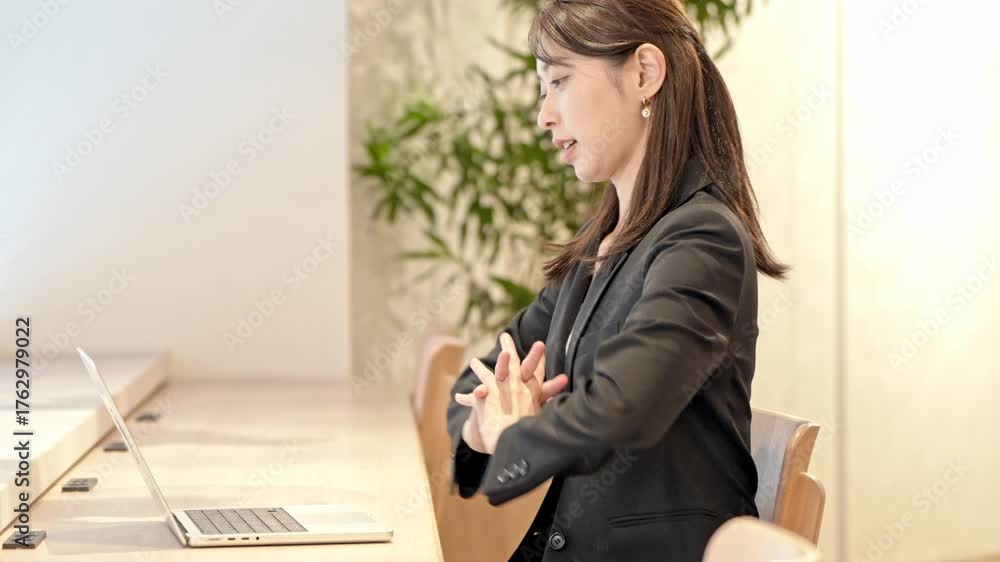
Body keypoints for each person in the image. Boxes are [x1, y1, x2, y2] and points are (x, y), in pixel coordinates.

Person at [447, 1, 788, 560]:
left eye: (559, 81)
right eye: (542, 89)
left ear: (644, 73)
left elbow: (620, 409)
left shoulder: (703, 239)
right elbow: (475, 379)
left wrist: (513, 435)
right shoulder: (597, 252)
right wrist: (481, 428)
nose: (544, 116)